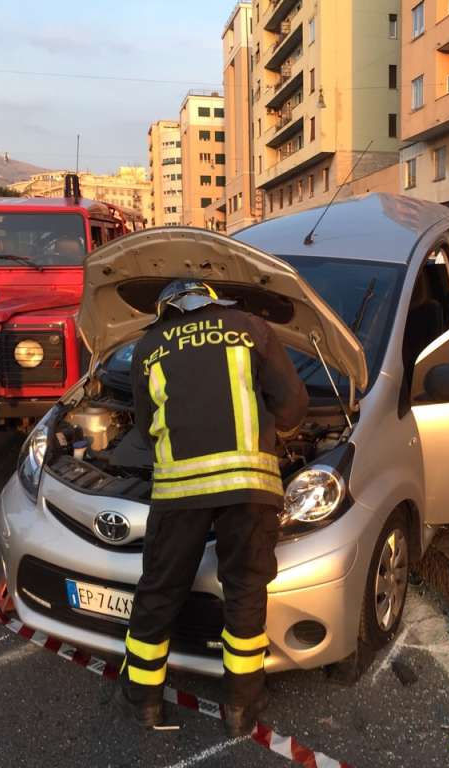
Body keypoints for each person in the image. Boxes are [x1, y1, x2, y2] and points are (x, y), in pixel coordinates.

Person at [121, 279, 308, 735]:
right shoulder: (250, 327)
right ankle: (241, 705)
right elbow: (293, 406)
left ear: (167, 310)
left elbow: (145, 428)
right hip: (248, 487)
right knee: (244, 588)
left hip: (179, 490)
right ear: (209, 298)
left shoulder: (149, 345)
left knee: (160, 588)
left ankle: (145, 699)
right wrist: (277, 433)